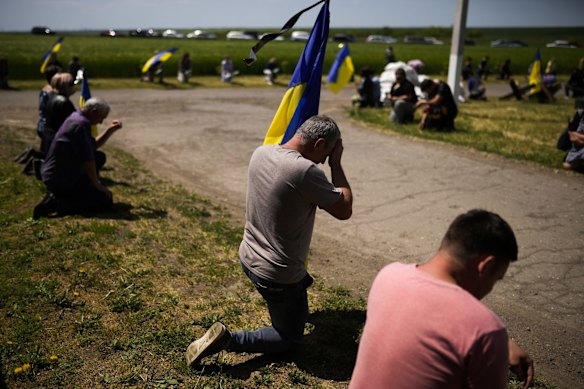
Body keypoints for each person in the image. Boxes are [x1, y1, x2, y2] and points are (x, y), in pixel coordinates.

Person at [185, 115, 353, 366]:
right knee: (290, 338)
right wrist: (336, 165)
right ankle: (228, 340)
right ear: (319, 144)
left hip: (249, 256)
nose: (325, 159)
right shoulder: (305, 171)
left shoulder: (261, 152)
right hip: (278, 275)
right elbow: (344, 209)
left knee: (297, 311)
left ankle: (289, 307)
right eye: (327, 152)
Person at [349, 209, 534, 389]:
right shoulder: (486, 330)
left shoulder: (389, 275)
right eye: (496, 279)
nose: (491, 288)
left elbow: (425, 316)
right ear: (486, 266)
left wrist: (495, 342)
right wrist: (492, 343)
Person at [34, 97, 123, 219]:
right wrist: (96, 183)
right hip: (59, 177)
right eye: (101, 118)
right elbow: (88, 159)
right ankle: (57, 203)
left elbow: (93, 146)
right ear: (94, 112)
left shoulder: (77, 118)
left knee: (99, 157)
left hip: (60, 172)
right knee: (104, 201)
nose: (101, 122)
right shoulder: (80, 125)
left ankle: (63, 196)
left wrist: (109, 130)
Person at [41, 72, 76, 155]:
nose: (73, 86)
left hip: (50, 142)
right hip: (59, 145)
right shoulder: (63, 102)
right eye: (71, 83)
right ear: (64, 85)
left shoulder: (52, 98)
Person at [562, 99, 584, 172]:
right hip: (578, 148)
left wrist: (579, 137)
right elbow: (571, 134)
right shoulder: (580, 114)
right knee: (567, 166)